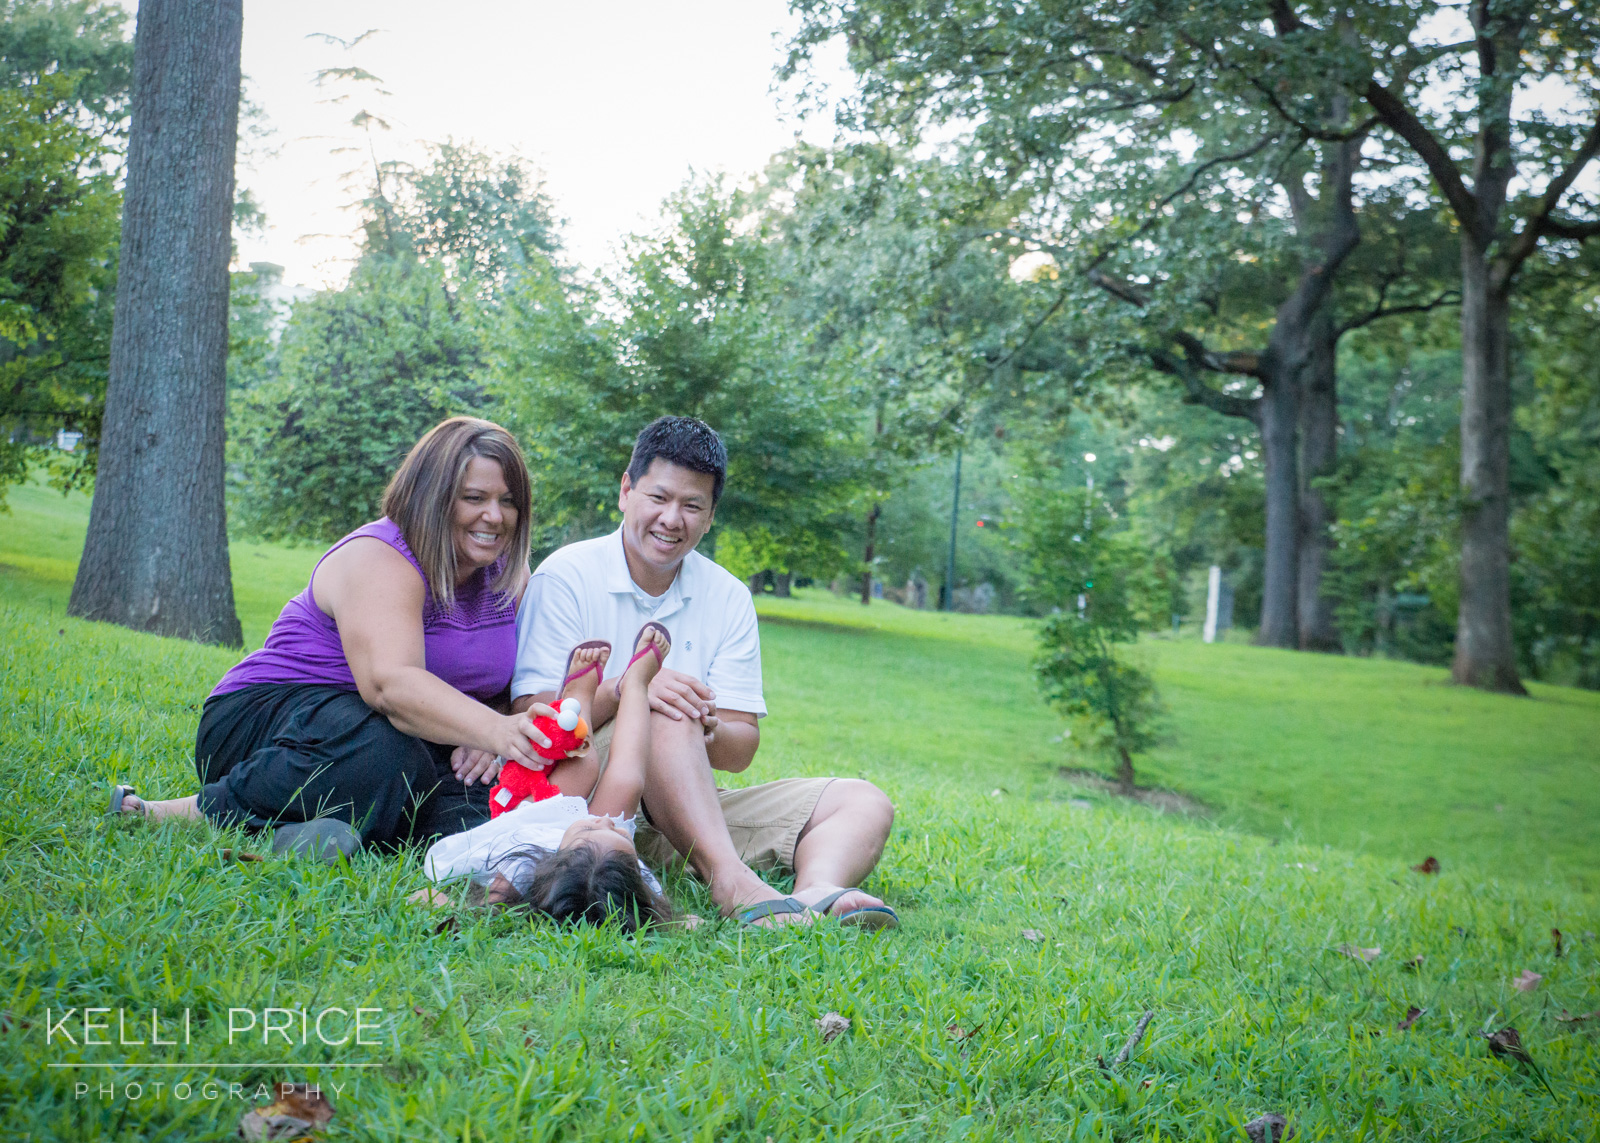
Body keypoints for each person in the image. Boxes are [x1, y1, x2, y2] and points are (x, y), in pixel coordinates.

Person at [109, 417, 573, 857]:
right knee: (390, 758)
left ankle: (311, 832)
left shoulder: (508, 577)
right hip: (272, 719)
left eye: (509, 501)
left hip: (410, 734)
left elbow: (503, 686)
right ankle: (188, 812)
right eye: (475, 497)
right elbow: (389, 685)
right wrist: (494, 730)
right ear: (434, 497)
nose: (494, 516)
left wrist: (482, 729)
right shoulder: (381, 556)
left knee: (480, 805)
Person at [502, 416, 897, 928]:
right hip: (587, 810)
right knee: (661, 704)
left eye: (692, 506)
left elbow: (740, 748)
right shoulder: (567, 577)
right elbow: (527, 718)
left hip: (685, 814)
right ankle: (732, 883)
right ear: (626, 490)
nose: (672, 519)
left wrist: (705, 723)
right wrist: (631, 689)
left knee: (863, 801)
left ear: (710, 516)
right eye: (659, 498)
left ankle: (817, 889)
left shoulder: (728, 596)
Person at [418, 625, 677, 932]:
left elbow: (481, 910)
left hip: (540, 818)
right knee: (628, 780)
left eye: (592, 829)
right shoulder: (627, 884)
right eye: (621, 836)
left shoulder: (523, 863)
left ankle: (577, 696)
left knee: (584, 764)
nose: (606, 822)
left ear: (556, 862)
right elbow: (660, 916)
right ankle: (637, 684)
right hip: (592, 851)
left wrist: (440, 902)